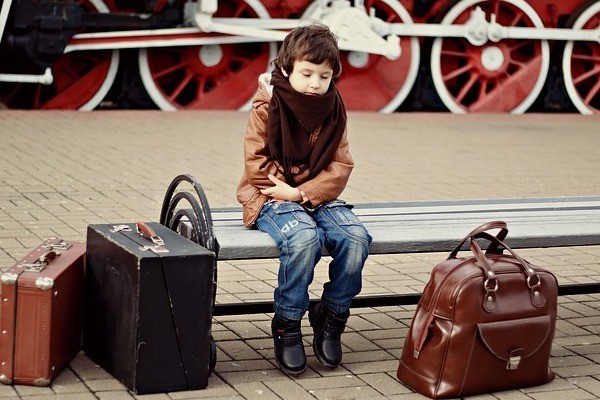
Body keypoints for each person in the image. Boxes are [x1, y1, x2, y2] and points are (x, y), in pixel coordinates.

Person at [236, 23, 371, 376]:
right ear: (286, 69)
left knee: (355, 239)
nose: (315, 83)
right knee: (303, 238)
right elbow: (256, 163)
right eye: (307, 73)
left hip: (311, 194)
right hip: (269, 195)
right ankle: (287, 324)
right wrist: (287, 194)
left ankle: (331, 316)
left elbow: (341, 165)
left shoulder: (333, 110)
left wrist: (301, 193)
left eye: (323, 76)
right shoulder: (268, 104)